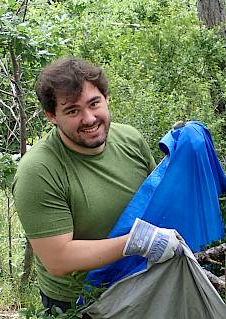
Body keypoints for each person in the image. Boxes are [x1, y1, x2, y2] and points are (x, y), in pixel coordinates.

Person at [12, 58, 183, 314]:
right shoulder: (38, 170)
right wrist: (136, 242)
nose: (89, 118)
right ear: (52, 116)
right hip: (81, 302)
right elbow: (58, 259)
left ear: (107, 98)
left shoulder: (130, 139)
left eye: (94, 104)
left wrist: (183, 163)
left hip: (140, 281)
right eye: (72, 111)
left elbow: (156, 197)